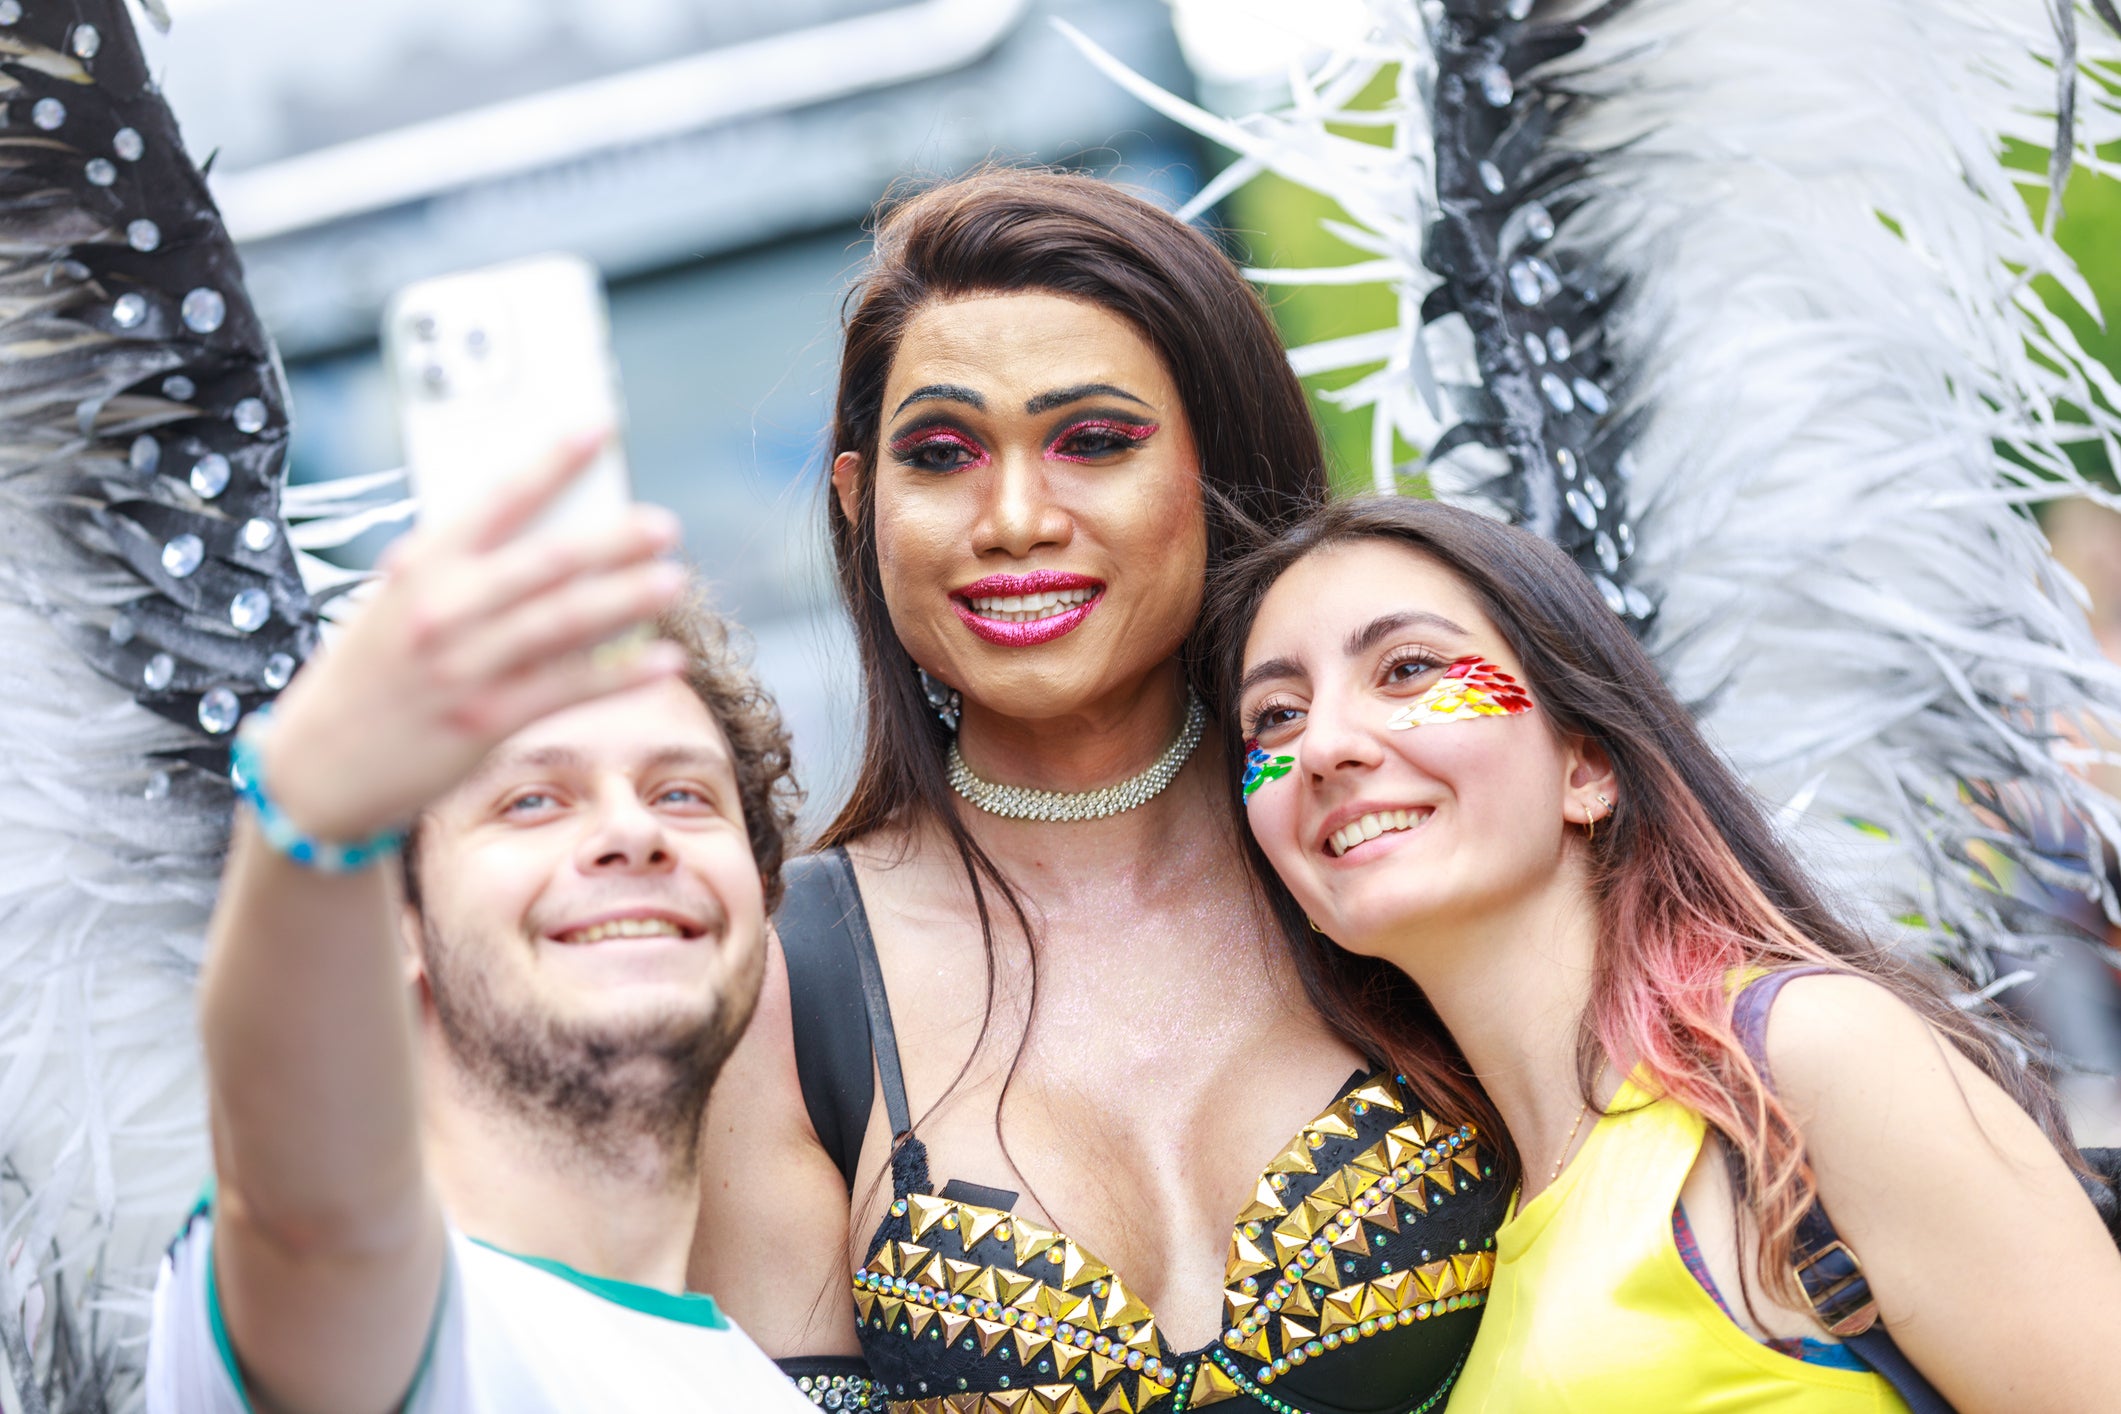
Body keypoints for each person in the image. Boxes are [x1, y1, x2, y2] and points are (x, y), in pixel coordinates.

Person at [693, 167, 1510, 1414]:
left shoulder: (1388, 834)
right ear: (864, 506)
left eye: (1094, 441)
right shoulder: (783, 989)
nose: (1014, 518)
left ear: (1215, 470)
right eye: (943, 454)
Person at [1214, 493, 2121, 1411]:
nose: (1323, 745)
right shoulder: (1459, 1243)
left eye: (1408, 669)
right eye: (1276, 718)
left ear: (1586, 767)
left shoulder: (1795, 1062)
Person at [146, 440, 815, 1412]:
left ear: (757, 889)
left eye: (682, 793)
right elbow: (310, 1223)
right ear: (398, 922)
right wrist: (313, 813)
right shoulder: (394, 1325)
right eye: (535, 801)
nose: (632, 831)